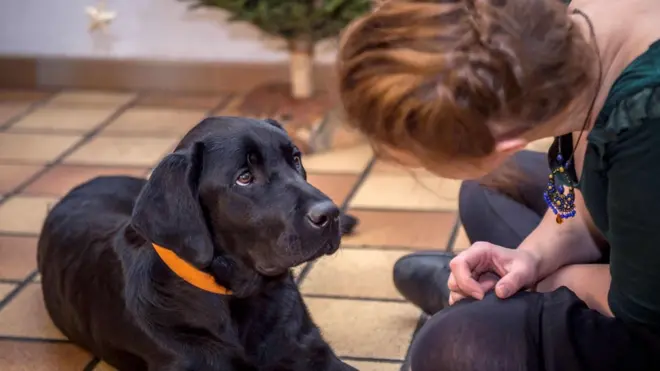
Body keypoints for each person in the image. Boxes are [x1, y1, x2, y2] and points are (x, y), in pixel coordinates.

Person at [337, 0, 660, 370]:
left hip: (646, 317)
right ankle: (499, 309)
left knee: (451, 345)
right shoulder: (572, 36)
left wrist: (542, 283)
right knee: (488, 190)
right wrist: (531, 258)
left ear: (506, 142)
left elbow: (642, 309)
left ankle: (488, 310)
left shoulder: (647, 126)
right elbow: (578, 195)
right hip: (641, 222)